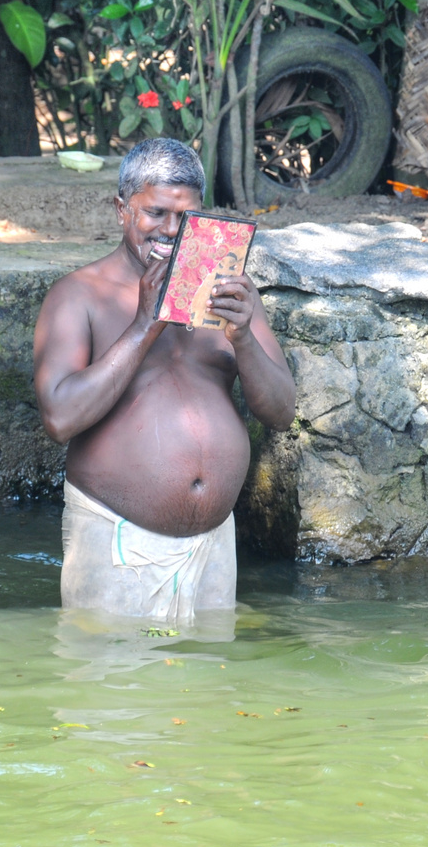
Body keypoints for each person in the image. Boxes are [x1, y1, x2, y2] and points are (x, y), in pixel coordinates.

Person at [33, 138, 296, 625]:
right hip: (116, 539)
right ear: (121, 209)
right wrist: (144, 325)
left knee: (207, 696)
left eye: (186, 217)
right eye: (155, 213)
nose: (171, 231)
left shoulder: (230, 290)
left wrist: (241, 337)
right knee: (116, 695)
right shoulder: (78, 295)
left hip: (215, 543)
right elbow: (60, 418)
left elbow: (281, 412)